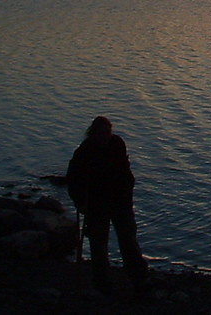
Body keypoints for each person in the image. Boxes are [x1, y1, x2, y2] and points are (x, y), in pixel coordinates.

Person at [66, 116, 150, 294]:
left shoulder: (117, 144)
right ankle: (102, 283)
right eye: (101, 133)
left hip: (120, 201)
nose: (105, 136)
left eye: (107, 132)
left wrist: (128, 192)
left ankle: (140, 279)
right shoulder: (85, 151)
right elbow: (72, 179)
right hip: (96, 205)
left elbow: (125, 171)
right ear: (94, 133)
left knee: (128, 241)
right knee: (98, 245)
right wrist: (80, 203)